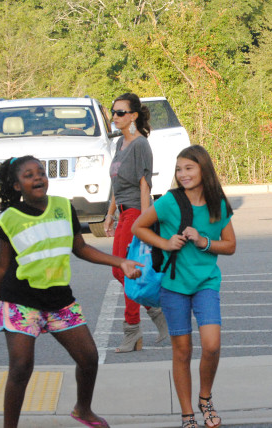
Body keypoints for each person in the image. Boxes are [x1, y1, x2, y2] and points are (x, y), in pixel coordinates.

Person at [0, 156, 142, 428]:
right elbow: (0, 267)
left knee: (89, 358)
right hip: (21, 302)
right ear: (17, 185)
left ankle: (83, 409)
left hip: (59, 301)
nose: (38, 178)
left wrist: (120, 262)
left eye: (41, 172)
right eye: (29, 175)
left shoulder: (63, 208)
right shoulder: (10, 219)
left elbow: (80, 248)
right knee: (21, 367)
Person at [132, 145, 235, 428]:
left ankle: (205, 398)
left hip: (206, 283)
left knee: (212, 345)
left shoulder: (219, 204)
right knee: (183, 350)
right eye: (179, 169)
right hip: (174, 285)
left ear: (204, 169)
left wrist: (204, 242)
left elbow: (230, 245)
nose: (183, 174)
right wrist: (165, 243)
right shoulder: (169, 201)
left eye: (189, 168)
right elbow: (138, 227)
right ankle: (187, 413)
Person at [103, 92, 169, 353]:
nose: (115, 117)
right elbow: (115, 182)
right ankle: (154, 308)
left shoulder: (141, 145)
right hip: (122, 212)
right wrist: (109, 214)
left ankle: (132, 331)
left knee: (125, 270)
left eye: (120, 113)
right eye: (113, 112)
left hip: (135, 214)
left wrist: (144, 224)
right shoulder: (120, 143)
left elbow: (145, 187)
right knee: (119, 271)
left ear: (133, 115)